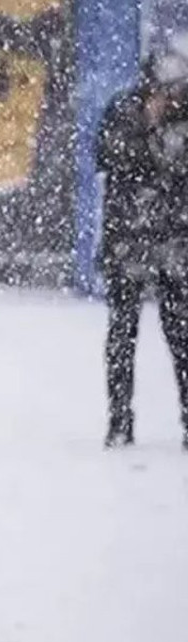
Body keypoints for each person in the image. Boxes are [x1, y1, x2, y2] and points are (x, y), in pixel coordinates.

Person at [97, 56, 188, 448]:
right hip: (129, 243)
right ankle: (120, 420)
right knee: (122, 333)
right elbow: (108, 155)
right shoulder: (123, 113)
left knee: (181, 335)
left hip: (173, 242)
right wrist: (146, 129)